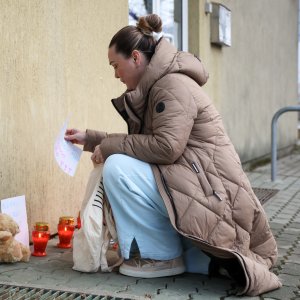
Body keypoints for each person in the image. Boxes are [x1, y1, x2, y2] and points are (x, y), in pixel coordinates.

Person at [65, 14, 281, 296]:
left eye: (115, 65)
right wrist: (92, 139)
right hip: (203, 190)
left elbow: (166, 147)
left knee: (117, 167)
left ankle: (159, 256)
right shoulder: (160, 84)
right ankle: (187, 255)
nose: (115, 74)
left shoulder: (171, 85)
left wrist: (108, 147)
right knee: (118, 161)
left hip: (211, 196)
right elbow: (147, 143)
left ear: (135, 58)